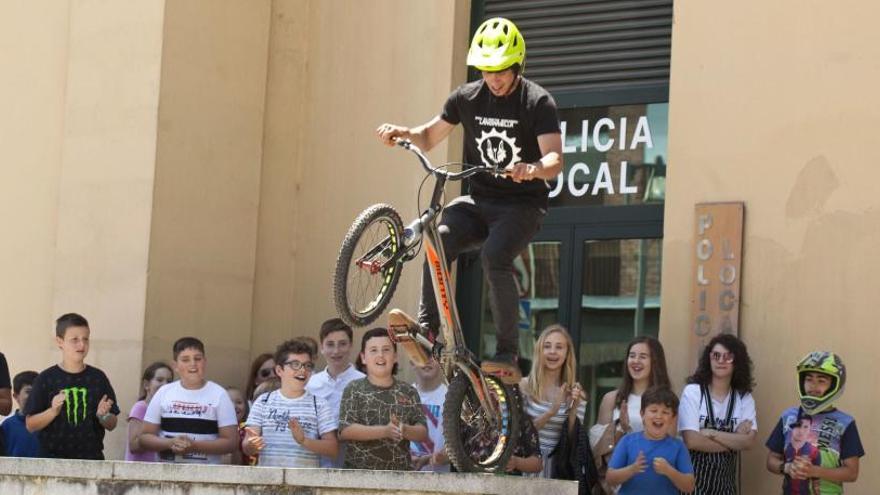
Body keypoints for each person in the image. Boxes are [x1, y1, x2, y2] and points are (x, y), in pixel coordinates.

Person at [376, 16, 563, 384]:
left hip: (522, 205)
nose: (494, 78)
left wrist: (533, 168)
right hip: (480, 200)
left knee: (495, 255)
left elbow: (556, 161)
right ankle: (428, 330)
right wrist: (402, 133)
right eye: (487, 69)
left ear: (517, 65)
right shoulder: (466, 98)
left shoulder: (537, 102)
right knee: (439, 236)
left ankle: (507, 351)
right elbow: (428, 136)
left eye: (501, 71)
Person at [766, 351, 864, 494]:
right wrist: (786, 468)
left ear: (834, 385)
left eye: (821, 380)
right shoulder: (788, 416)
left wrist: (814, 471)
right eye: (809, 379)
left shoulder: (845, 423)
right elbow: (771, 460)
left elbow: (852, 473)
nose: (813, 386)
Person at [24, 313, 120, 459]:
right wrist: (52, 411)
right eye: (74, 339)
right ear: (59, 341)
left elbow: (112, 424)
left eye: (85, 339)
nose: (81, 345)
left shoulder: (98, 378)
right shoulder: (46, 378)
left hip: (91, 460)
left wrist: (104, 416)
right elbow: (30, 424)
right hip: (52, 461)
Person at [338, 327, 427, 470]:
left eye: (386, 349)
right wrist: (385, 431)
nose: (380, 355)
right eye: (373, 350)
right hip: (358, 479)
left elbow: (422, 432)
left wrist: (403, 429)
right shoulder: (353, 389)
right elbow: (345, 431)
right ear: (363, 357)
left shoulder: (408, 391)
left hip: (399, 479)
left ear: (395, 356)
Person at [679, 334, 757, 494]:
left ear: (737, 361)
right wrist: (733, 440)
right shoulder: (693, 392)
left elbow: (749, 442)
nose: (721, 360)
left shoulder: (744, 398)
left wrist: (710, 433)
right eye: (716, 355)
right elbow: (692, 440)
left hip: (726, 487)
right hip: (691, 485)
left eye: (728, 357)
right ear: (709, 359)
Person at [139, 337, 238, 464]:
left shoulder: (219, 395)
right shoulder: (164, 393)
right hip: (165, 473)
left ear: (205, 361)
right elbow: (145, 438)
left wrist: (194, 446)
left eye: (198, 359)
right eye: (185, 360)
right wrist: (170, 443)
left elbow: (231, 442)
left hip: (206, 475)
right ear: (175, 365)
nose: (193, 364)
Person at [242, 338, 338, 468]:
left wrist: (304, 441)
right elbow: (247, 447)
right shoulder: (263, 401)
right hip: (269, 483)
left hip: (305, 484)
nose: (302, 370)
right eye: (295, 364)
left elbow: (332, 449)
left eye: (307, 365)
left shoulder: (319, 405)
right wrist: (252, 445)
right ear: (279, 370)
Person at [520, 324, 586, 478]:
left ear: (567, 353)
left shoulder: (577, 393)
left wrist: (573, 411)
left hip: (559, 469)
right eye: (547, 346)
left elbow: (573, 441)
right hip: (526, 465)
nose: (552, 352)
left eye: (559, 347)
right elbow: (520, 434)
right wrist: (551, 411)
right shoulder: (524, 386)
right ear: (539, 351)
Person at [606, 387, 695, 494]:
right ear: (642, 414)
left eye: (665, 412)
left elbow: (689, 486)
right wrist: (632, 469)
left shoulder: (678, 446)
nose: (659, 416)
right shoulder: (627, 441)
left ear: (673, 418)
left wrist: (669, 471)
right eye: (653, 410)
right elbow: (610, 478)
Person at [305, 317, 365, 467]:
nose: (336, 351)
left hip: (353, 465)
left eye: (342, 344)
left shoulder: (365, 383)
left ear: (351, 345)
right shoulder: (310, 384)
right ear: (322, 347)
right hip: (314, 465)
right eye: (330, 345)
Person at [125, 362, 173, 462]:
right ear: (147, 385)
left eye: (169, 381)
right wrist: (163, 442)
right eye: (159, 380)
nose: (165, 385)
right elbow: (133, 446)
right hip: (140, 471)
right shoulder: (141, 408)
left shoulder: (169, 411)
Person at [409, 357, 450, 472]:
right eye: (420, 354)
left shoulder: (451, 398)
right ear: (412, 361)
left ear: (442, 361)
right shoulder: (402, 396)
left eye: (432, 356)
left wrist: (442, 457)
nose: (427, 361)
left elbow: (461, 448)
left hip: (439, 483)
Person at [0, 371, 40, 457]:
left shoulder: (47, 423)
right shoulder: (6, 426)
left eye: (37, 392)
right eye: (28, 392)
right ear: (16, 396)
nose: (33, 396)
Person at [782, 413, 821, 494]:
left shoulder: (814, 451)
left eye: (806, 427)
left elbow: (816, 482)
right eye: (798, 426)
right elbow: (773, 464)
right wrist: (785, 467)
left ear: (810, 429)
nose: (801, 431)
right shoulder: (786, 448)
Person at [226, 386, 250, 465]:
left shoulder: (249, 430)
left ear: (246, 407)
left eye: (239, 402)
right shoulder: (215, 430)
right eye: (228, 403)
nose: (234, 406)